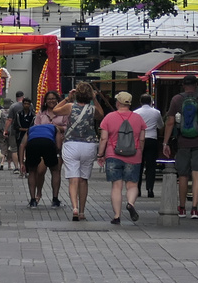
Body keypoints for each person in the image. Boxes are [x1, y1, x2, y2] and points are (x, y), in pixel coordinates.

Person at [164, 76, 198, 219]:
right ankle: (194, 209)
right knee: (197, 174)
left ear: (183, 85)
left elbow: (170, 122)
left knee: (183, 175)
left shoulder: (176, 100)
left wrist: (165, 142)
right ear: (196, 85)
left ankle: (181, 208)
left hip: (182, 142)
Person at [55, 83, 101, 221]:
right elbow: (101, 115)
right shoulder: (92, 109)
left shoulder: (70, 107)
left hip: (71, 145)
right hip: (89, 145)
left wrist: (68, 98)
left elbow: (55, 110)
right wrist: (95, 99)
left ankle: (74, 207)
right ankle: (82, 211)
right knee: (83, 180)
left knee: (73, 179)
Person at [99, 91, 144, 225]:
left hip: (113, 154)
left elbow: (103, 138)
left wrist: (100, 154)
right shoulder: (138, 118)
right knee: (132, 185)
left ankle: (117, 216)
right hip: (133, 155)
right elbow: (141, 140)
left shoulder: (109, 117)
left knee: (116, 186)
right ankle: (130, 203)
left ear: (117, 102)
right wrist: (139, 151)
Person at [23, 104, 60, 208]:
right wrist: (55, 152)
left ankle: (33, 200)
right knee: (55, 171)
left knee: (32, 171)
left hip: (32, 144)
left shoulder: (31, 129)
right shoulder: (54, 128)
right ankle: (55, 199)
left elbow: (22, 145)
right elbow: (58, 145)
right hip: (49, 144)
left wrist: (21, 162)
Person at [135, 94, 164, 198]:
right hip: (152, 139)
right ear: (151, 101)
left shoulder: (136, 113)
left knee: (139, 165)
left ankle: (137, 189)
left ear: (140, 101)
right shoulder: (156, 112)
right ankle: (150, 189)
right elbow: (161, 125)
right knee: (151, 166)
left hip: (139, 140)